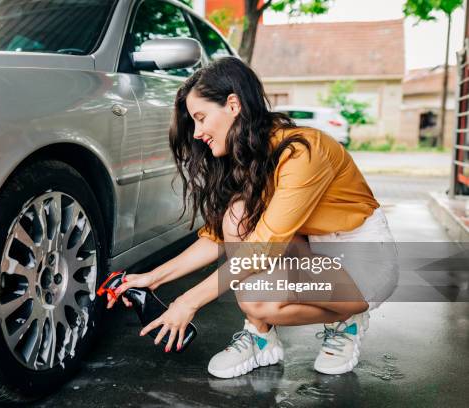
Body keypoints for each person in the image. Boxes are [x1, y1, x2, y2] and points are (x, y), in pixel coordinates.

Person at [108, 57, 397, 378]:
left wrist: (187, 302)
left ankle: (349, 320)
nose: (198, 132)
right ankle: (262, 339)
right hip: (315, 253)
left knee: (258, 299)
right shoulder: (249, 160)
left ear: (233, 105)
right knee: (235, 217)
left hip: (361, 265)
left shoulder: (304, 151)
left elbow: (264, 247)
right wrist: (153, 278)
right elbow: (218, 237)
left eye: (201, 118)